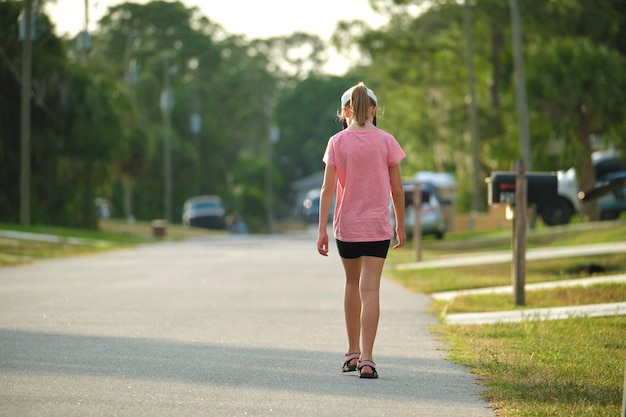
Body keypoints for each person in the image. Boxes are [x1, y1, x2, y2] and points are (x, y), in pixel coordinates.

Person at [317, 82, 406, 379]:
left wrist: (322, 230)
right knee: (371, 290)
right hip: (378, 227)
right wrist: (401, 226)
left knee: (352, 285)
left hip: (347, 228)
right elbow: (397, 189)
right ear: (374, 109)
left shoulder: (336, 142)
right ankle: (368, 359)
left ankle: (352, 353)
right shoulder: (387, 141)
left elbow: (327, 189)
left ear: (345, 112)